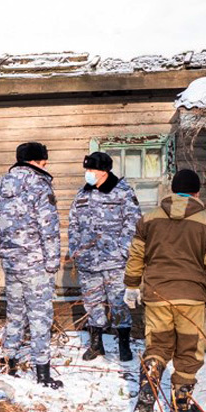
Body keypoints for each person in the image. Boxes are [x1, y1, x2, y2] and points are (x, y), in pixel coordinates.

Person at [124, 169, 206, 412]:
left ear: (173, 190)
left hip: (157, 295)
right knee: (188, 350)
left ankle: (148, 386)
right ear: (197, 193)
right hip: (191, 297)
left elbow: (136, 254)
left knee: (157, 345)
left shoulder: (149, 219)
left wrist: (132, 285)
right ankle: (180, 406)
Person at [0, 141, 64, 389]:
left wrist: (6, 254)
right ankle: (42, 373)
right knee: (40, 317)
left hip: (12, 263)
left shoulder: (2, 184)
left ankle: (8, 362)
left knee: (15, 314)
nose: (46, 164)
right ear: (35, 160)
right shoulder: (39, 184)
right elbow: (49, 228)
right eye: (44, 159)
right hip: (36, 264)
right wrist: (52, 262)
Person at [68, 151, 142, 362]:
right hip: (88, 262)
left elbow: (134, 223)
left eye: (91, 170)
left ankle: (124, 345)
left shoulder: (123, 192)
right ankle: (96, 344)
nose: (88, 174)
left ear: (104, 171)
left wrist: (122, 250)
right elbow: (73, 224)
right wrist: (76, 249)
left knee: (119, 303)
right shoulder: (82, 195)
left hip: (115, 262)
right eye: (87, 170)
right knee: (92, 303)